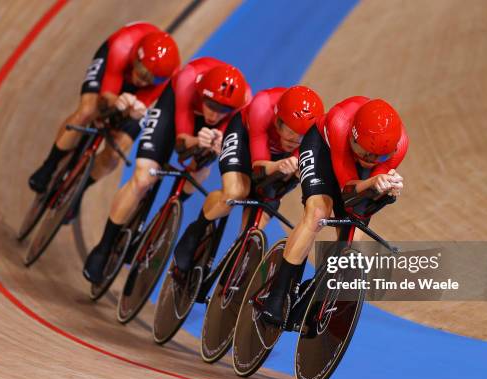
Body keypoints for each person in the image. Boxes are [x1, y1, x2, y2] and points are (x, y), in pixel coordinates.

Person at [83, 58, 251, 284]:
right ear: (202, 93)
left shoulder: (242, 105)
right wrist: (195, 141)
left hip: (207, 134)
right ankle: (104, 247)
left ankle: (168, 213)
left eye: (223, 110)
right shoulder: (187, 80)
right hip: (174, 111)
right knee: (143, 179)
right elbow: (181, 143)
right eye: (211, 105)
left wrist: (216, 143)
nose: (214, 114)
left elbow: (223, 143)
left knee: (201, 169)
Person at [260, 97, 409, 325]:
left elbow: (358, 205)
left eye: (379, 157)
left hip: (354, 168)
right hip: (323, 150)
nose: (371, 161)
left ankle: (315, 293)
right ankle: (277, 294)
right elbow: (347, 190)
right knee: (318, 212)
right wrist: (372, 183)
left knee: (352, 239)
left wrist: (386, 190)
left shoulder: (398, 146)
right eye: (367, 153)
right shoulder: (340, 122)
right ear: (354, 136)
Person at [28, 22, 180, 221]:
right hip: (113, 70)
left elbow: (143, 102)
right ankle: (49, 165)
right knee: (88, 110)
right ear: (136, 58)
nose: (143, 81)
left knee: (116, 151)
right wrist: (114, 103)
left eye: (152, 79)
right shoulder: (122, 45)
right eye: (142, 73)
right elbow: (106, 97)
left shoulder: (167, 76)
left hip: (137, 97)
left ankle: (79, 190)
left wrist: (132, 110)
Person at [172, 86, 324, 274]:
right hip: (244, 139)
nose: (296, 140)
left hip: (279, 159)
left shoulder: (312, 137)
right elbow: (259, 168)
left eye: (303, 136)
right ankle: (195, 232)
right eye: (292, 132)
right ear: (278, 121)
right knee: (235, 192)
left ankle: (232, 269)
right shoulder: (262, 106)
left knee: (256, 226)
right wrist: (278, 166)